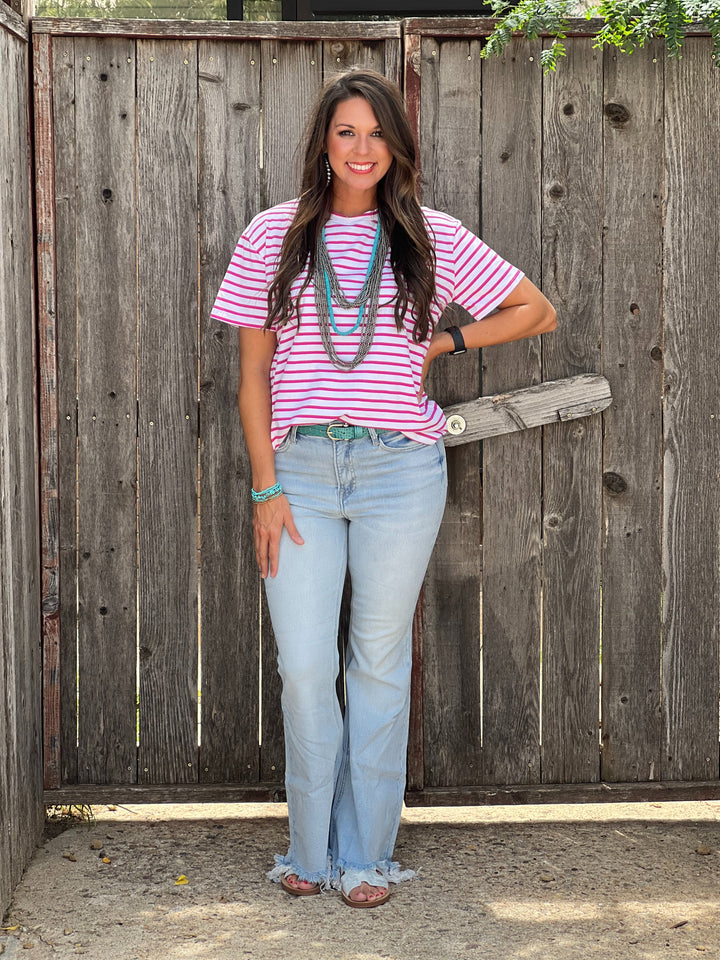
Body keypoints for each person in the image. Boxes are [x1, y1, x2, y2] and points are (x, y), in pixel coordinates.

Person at [211, 68, 556, 908]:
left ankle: (364, 854)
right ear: (323, 146)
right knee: (302, 665)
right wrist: (265, 487)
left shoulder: (430, 236)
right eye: (345, 133)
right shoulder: (272, 236)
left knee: (375, 660)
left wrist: (446, 345)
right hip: (299, 470)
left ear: (396, 147)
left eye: (376, 134)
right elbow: (252, 378)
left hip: (401, 470)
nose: (361, 149)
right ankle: (309, 850)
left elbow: (535, 309)